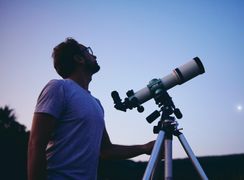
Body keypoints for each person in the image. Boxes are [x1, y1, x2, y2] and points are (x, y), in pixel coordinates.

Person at [27, 38, 155, 180]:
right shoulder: (58, 88)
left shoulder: (96, 103)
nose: (94, 56)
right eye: (88, 51)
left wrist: (144, 148)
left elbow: (106, 150)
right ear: (78, 59)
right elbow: (36, 143)